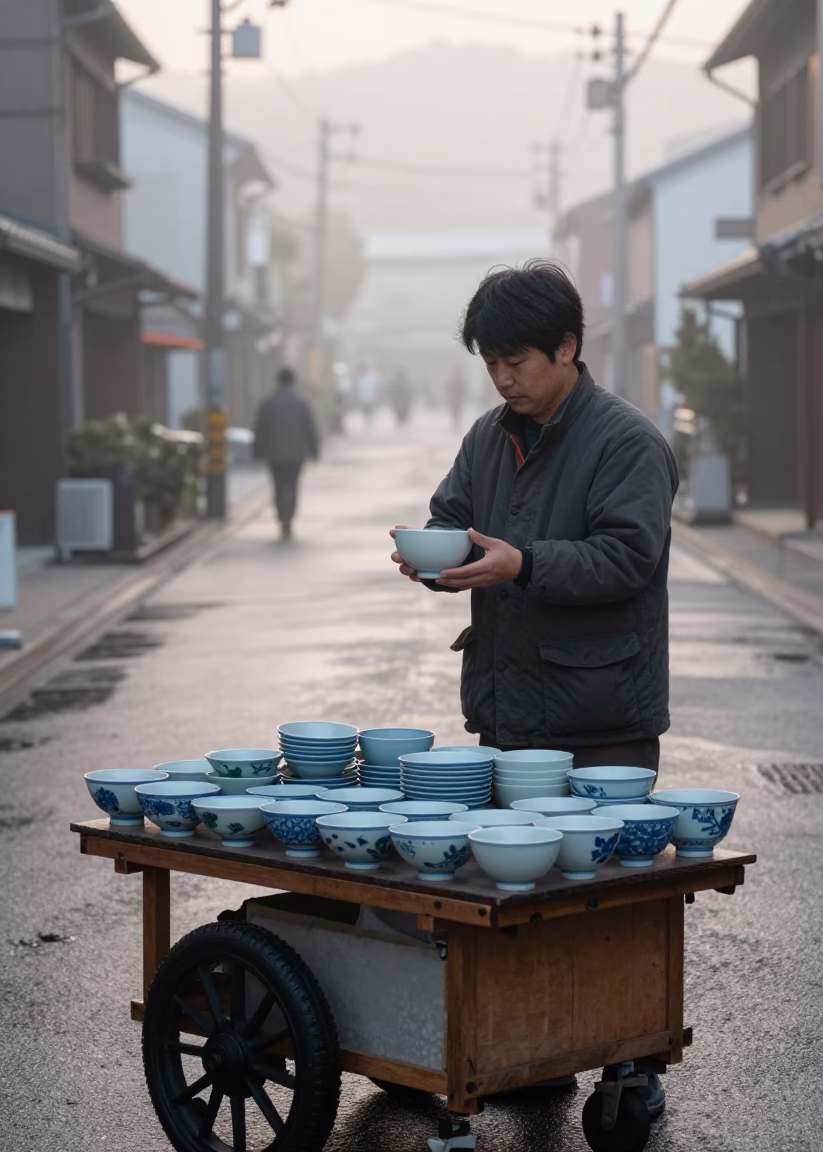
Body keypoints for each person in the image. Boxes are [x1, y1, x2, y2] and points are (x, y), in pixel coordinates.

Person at [390, 260, 678, 1114]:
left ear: (569, 347)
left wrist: (523, 564)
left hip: (603, 715)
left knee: (606, 902)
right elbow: (453, 513)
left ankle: (633, 1069)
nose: (505, 376)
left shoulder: (629, 442)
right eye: (491, 361)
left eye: (519, 359)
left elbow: (629, 557)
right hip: (512, 711)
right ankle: (540, 1053)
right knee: (518, 901)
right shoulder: (489, 435)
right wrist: (432, 556)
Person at [253, 366, 319, 540]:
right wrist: (314, 450)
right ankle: (289, 517)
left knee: (278, 485)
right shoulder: (301, 402)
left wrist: (257, 451)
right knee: (292, 484)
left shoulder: (268, 402)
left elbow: (260, 429)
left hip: (274, 453)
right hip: (296, 453)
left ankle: (281, 517)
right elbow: (309, 428)